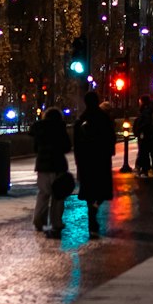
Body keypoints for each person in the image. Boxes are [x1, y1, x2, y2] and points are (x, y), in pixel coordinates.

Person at [74, 89, 117, 237]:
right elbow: (111, 137)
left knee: (89, 192)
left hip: (86, 161)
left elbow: (77, 144)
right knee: (102, 190)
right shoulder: (103, 118)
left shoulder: (81, 119)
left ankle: (91, 217)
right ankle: (95, 207)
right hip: (101, 160)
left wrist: (78, 161)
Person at [30, 107, 72, 237]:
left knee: (43, 194)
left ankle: (38, 220)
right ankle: (56, 222)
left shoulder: (39, 128)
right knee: (58, 195)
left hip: (42, 165)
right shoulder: (60, 128)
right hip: (57, 165)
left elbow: (36, 148)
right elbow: (66, 147)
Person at [133, 95, 153, 176]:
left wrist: (139, 130)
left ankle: (145, 170)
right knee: (150, 153)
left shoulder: (145, 111)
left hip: (145, 135)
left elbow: (145, 123)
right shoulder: (150, 110)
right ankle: (150, 169)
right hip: (150, 135)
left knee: (144, 153)